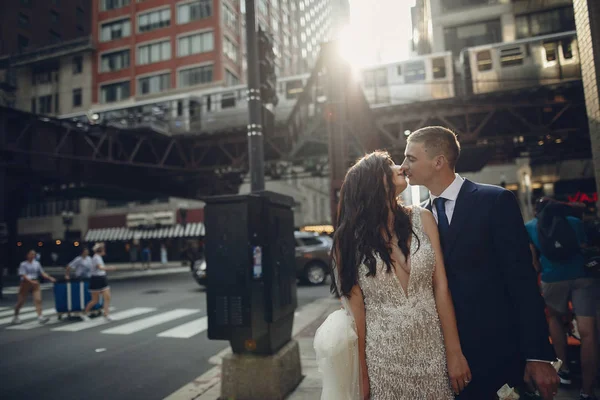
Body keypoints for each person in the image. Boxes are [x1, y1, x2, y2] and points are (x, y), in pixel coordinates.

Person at [401, 126, 559, 400]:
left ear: (438, 161)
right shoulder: (419, 217)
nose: (403, 167)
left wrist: (538, 355)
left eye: (410, 158)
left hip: (499, 351)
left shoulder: (495, 201)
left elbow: (522, 280)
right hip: (443, 357)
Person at [319, 151, 471, 399]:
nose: (401, 167)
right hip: (383, 361)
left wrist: (455, 353)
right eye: (389, 165)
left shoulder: (424, 218)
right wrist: (362, 378)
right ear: (372, 182)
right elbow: (355, 314)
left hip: (433, 354)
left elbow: (441, 288)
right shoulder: (347, 241)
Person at [526, 199, 598, 400]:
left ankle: (563, 369)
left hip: (552, 279)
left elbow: (534, 262)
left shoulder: (530, 226)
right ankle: (587, 390)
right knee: (588, 333)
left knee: (554, 319)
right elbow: (584, 246)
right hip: (582, 277)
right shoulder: (574, 222)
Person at [12, 250, 56, 325]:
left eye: (34, 255)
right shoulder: (23, 264)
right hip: (26, 283)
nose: (32, 256)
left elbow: (42, 272)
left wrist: (49, 277)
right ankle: (16, 316)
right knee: (21, 301)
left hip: (35, 282)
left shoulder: (37, 263)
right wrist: (30, 281)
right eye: (31, 254)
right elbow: (23, 275)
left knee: (38, 300)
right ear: (27, 255)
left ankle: (40, 316)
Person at [82, 243, 116, 321]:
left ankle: (106, 314)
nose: (105, 251)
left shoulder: (98, 257)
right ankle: (84, 313)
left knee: (107, 297)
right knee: (95, 300)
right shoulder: (96, 258)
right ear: (100, 250)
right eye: (103, 249)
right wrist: (110, 268)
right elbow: (100, 267)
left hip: (102, 278)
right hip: (96, 279)